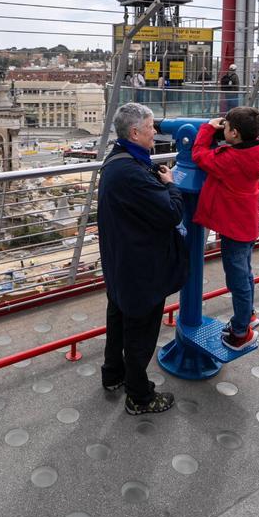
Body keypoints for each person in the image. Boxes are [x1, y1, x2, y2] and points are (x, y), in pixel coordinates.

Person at [97, 102, 187, 415]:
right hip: (140, 271)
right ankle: (139, 397)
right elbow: (171, 213)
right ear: (135, 133)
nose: (155, 133)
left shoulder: (117, 161)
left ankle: (113, 375)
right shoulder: (131, 174)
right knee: (141, 333)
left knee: (118, 320)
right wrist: (171, 185)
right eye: (150, 128)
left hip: (120, 263)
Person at [191, 107, 259, 350]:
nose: (222, 130)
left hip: (233, 229)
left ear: (235, 134)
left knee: (237, 280)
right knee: (246, 274)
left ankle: (240, 333)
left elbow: (199, 155)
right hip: (246, 224)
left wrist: (207, 129)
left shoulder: (231, 159)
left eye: (225, 127)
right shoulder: (257, 152)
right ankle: (247, 315)